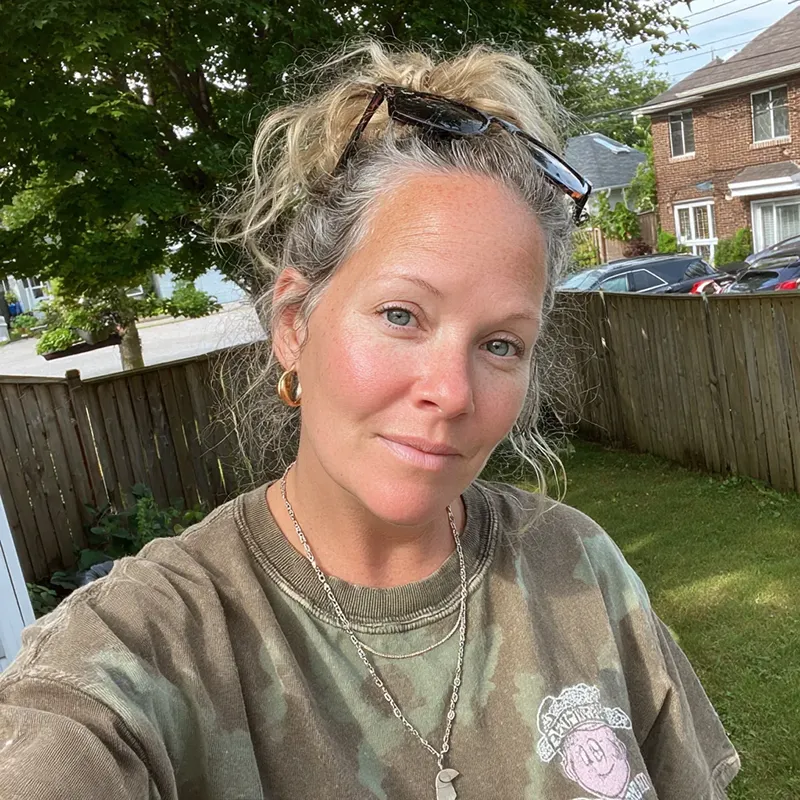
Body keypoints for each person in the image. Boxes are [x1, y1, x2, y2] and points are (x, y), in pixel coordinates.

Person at [0, 43, 738, 799]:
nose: (452, 392)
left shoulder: (578, 568)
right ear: (294, 322)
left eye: (499, 343)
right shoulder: (143, 649)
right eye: (400, 315)